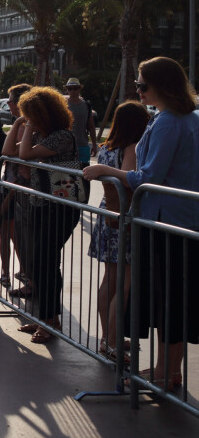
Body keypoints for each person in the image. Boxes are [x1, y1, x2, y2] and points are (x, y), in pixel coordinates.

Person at [83, 56, 199, 388]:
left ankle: (165, 372)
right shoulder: (191, 118)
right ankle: (169, 371)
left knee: (166, 301)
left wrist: (105, 170)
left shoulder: (167, 121)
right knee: (175, 301)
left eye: (142, 84)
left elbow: (148, 176)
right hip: (185, 221)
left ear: (161, 86)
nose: (138, 90)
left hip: (163, 222)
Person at [17, 86, 82, 344]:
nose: (27, 119)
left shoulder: (61, 137)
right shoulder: (45, 137)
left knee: (46, 261)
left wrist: (28, 128)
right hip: (44, 205)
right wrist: (19, 127)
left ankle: (49, 321)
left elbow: (24, 154)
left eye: (31, 114)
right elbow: (10, 150)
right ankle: (45, 317)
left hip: (61, 207)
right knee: (40, 262)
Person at [86, 101, 149, 361]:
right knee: (122, 285)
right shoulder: (131, 147)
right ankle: (112, 342)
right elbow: (128, 177)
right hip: (125, 218)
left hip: (108, 214)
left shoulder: (106, 148)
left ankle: (106, 337)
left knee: (109, 281)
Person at [0, 84, 33, 290]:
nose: (8, 103)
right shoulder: (17, 124)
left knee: (19, 233)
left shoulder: (29, 127)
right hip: (8, 182)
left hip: (20, 188)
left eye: (11, 100)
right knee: (4, 230)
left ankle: (27, 273)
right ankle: (5, 271)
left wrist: (12, 192)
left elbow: (12, 151)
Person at [64, 77, 98, 167]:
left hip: (82, 144)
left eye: (75, 88)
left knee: (84, 174)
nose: (73, 91)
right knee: (69, 176)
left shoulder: (86, 105)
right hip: (66, 146)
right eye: (70, 88)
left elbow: (91, 126)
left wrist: (94, 145)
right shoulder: (63, 105)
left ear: (79, 89)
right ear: (67, 89)